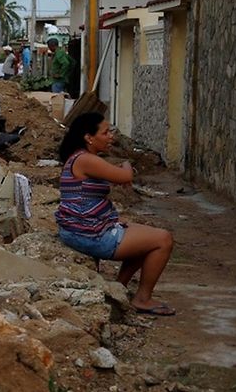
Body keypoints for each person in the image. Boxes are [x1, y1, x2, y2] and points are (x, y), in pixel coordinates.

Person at [57, 112, 175, 315]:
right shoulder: (85, 159)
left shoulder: (82, 158)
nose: (111, 136)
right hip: (88, 234)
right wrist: (126, 164)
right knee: (163, 239)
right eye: (105, 132)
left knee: (143, 234)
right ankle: (142, 298)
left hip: (82, 229)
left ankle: (118, 287)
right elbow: (124, 176)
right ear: (89, 137)